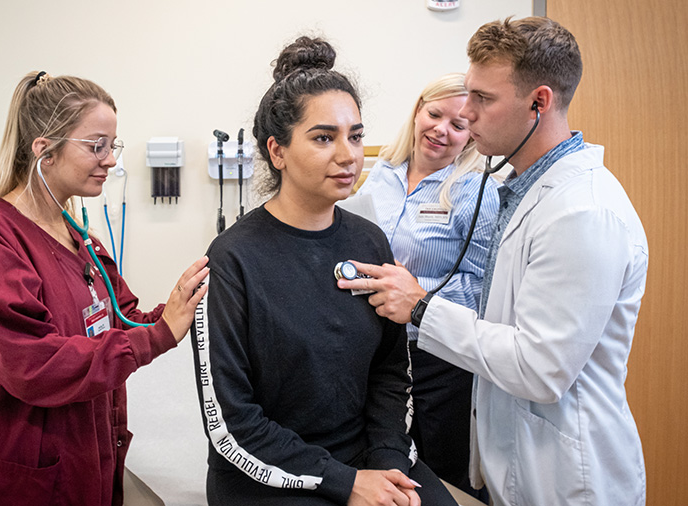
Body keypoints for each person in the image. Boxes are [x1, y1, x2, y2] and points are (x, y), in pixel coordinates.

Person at [339, 17, 648, 506]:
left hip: (568, 477)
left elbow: (542, 368)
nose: (470, 114)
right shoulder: (521, 192)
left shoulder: (583, 211)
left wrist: (420, 306)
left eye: (483, 99)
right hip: (515, 457)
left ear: (538, 103)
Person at [0, 71, 209, 506]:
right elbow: (34, 364)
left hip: (80, 466)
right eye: (97, 146)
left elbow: (127, 321)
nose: (110, 160)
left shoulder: (82, 241)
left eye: (114, 145)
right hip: (5, 479)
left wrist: (191, 303)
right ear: (44, 152)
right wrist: (156, 336)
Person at [190, 37, 456, 506]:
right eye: (323, 138)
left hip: (364, 455)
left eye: (354, 135)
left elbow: (391, 373)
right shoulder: (232, 260)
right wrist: (345, 482)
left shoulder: (369, 241)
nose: (348, 154)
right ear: (277, 151)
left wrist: (390, 462)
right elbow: (232, 423)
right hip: (268, 470)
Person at [355, 72, 497, 499]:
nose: (441, 130)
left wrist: (416, 293)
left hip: (438, 357)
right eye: (435, 114)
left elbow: (483, 291)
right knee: (386, 458)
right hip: (379, 347)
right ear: (418, 111)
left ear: (471, 134)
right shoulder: (383, 172)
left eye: (459, 125)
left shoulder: (476, 191)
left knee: (438, 469)